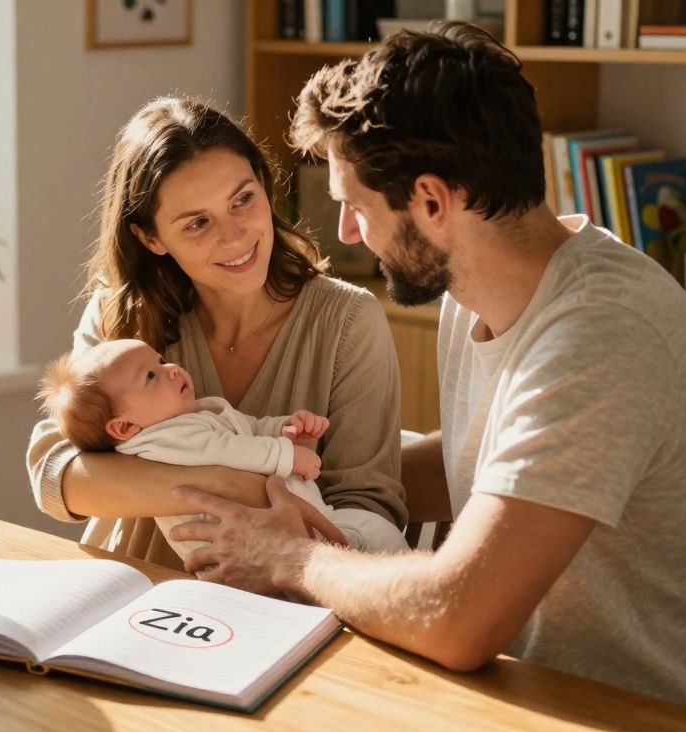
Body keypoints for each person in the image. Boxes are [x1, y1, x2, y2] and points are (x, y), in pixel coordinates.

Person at [167, 23, 686, 718]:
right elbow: (503, 458)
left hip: (659, 715)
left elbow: (457, 617)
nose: (347, 231)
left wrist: (289, 557)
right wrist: (300, 482)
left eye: (355, 205)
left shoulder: (601, 335)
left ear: (432, 202)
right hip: (531, 692)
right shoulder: (478, 287)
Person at [26, 96, 407, 572]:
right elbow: (55, 477)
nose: (235, 236)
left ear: (264, 186)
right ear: (150, 238)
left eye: (243, 199)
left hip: (288, 597)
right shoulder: (119, 314)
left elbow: (369, 509)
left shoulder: (348, 322)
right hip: (133, 582)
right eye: (198, 223)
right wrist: (228, 482)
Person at [36, 338, 411, 560]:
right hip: (251, 550)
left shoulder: (192, 416)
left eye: (161, 360)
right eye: (151, 376)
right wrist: (286, 456)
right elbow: (227, 449)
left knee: (376, 534)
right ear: (124, 427)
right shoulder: (159, 441)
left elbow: (246, 430)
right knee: (376, 541)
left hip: (295, 529)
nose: (172, 368)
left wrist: (285, 429)